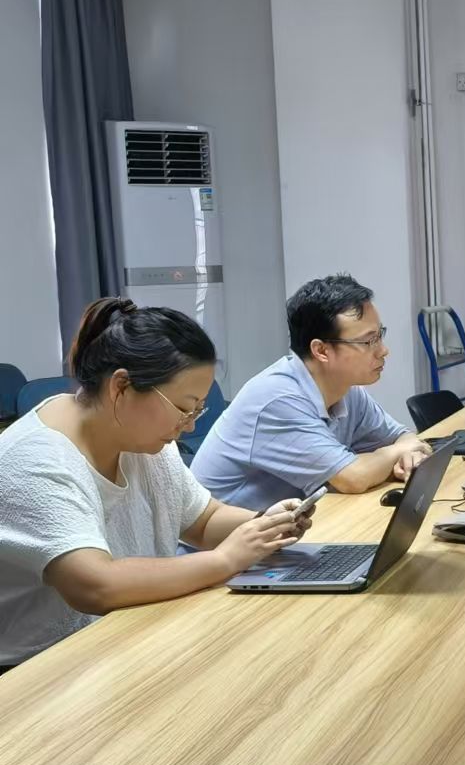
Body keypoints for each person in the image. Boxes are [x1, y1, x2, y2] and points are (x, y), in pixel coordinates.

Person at [0, 300, 310, 670]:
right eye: (184, 409)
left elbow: (203, 521)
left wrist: (265, 524)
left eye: (197, 410)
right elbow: (96, 586)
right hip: (36, 670)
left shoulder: (142, 437)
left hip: (125, 637)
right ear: (121, 387)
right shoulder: (35, 461)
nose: (190, 425)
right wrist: (226, 559)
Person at [191, 274, 433, 511]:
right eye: (368, 342)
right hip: (230, 535)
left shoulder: (346, 389)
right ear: (321, 351)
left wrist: (407, 452)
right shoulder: (278, 400)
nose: (383, 350)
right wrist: (396, 452)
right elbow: (354, 478)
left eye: (380, 335)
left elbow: (404, 438)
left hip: (290, 526)